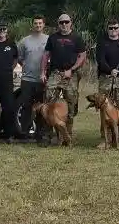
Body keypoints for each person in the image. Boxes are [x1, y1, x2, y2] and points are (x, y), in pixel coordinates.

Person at [41, 13, 87, 141]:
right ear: (58, 24)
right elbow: (46, 55)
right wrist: (42, 72)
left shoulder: (77, 38)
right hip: (55, 73)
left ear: (71, 23)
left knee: (71, 105)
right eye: (61, 22)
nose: (64, 25)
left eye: (66, 22)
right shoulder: (53, 38)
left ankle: (68, 136)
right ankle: (49, 135)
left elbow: (82, 56)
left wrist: (71, 70)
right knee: (48, 103)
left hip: (71, 75)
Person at [94, 19, 119, 149]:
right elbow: (100, 60)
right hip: (107, 79)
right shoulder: (102, 43)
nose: (113, 30)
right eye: (110, 28)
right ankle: (106, 140)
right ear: (107, 29)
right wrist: (110, 70)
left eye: (115, 28)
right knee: (105, 110)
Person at [15, 15, 49, 142]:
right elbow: (19, 57)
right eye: (36, 23)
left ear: (43, 25)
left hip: (42, 79)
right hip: (27, 79)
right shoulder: (25, 41)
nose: (38, 25)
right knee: (26, 107)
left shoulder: (48, 40)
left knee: (41, 107)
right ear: (32, 25)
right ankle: (24, 133)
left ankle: (40, 134)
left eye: (40, 23)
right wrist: (25, 65)